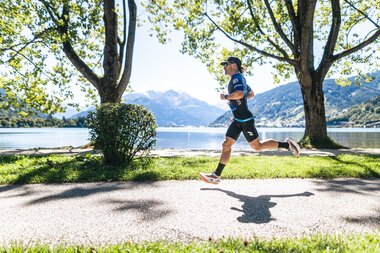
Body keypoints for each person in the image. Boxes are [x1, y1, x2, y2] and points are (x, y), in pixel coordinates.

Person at [200, 56, 300, 184]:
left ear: (233, 65)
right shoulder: (240, 79)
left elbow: (240, 94)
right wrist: (238, 103)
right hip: (238, 119)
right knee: (226, 145)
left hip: (245, 119)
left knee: (257, 147)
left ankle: (287, 145)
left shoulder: (236, 78)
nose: (224, 67)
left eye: (225, 64)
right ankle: (216, 175)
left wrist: (225, 96)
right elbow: (250, 94)